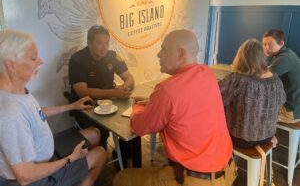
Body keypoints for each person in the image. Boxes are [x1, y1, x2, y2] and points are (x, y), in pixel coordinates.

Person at [114, 29, 236, 186]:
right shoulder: (206, 73)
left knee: (122, 178)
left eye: (163, 49)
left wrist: (137, 106)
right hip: (228, 172)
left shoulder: (167, 89)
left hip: (195, 181)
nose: (158, 55)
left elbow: (139, 127)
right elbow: (187, 104)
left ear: (181, 53)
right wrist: (154, 103)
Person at [0, 29, 107, 186]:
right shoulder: (10, 113)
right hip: (38, 179)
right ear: (11, 64)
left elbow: (36, 112)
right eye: (33, 57)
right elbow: (24, 176)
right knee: (100, 154)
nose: (41, 61)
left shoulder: (17, 92)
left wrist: (72, 106)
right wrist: (70, 159)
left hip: (45, 156)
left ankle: (75, 173)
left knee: (94, 133)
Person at [68, 25, 139, 167]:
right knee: (101, 134)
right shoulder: (77, 59)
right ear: (89, 43)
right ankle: (99, 162)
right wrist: (114, 93)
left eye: (107, 42)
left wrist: (126, 87)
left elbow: (129, 78)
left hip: (111, 101)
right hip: (86, 105)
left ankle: (124, 158)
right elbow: (82, 91)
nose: (104, 47)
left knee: (132, 120)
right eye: (99, 43)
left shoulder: (112, 56)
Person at [218, 39, 286, 148]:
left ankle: (223, 161)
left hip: (239, 138)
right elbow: (281, 101)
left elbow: (215, 100)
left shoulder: (237, 79)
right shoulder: (276, 79)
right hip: (267, 136)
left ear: (241, 57)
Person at [262, 29, 300, 123]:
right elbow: (268, 69)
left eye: (270, 44)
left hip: (291, 112)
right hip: (296, 106)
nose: (266, 47)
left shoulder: (284, 58)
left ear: (281, 43)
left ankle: (268, 137)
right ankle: (269, 136)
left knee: (253, 111)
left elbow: (261, 78)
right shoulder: (286, 53)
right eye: (264, 44)